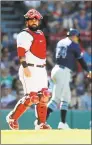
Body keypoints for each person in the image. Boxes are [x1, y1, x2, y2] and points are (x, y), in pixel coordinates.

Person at [6, 8, 51, 130]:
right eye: (31, 19)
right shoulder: (24, 34)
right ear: (27, 21)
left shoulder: (41, 33)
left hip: (41, 69)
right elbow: (21, 53)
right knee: (32, 97)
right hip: (29, 68)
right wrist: (25, 67)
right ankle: (12, 118)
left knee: (44, 96)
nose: (34, 21)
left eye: (36, 19)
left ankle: (41, 123)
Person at [46, 28, 91, 129]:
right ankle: (40, 121)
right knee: (55, 99)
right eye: (77, 37)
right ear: (74, 36)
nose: (77, 39)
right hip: (63, 72)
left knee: (66, 98)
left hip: (56, 69)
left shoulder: (60, 42)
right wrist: (88, 71)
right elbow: (81, 60)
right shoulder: (74, 45)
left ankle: (63, 123)